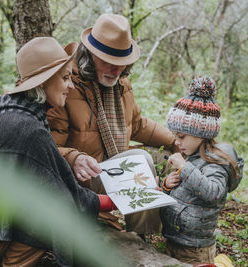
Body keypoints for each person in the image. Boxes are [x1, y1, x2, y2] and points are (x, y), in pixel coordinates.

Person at [0, 37, 117, 267]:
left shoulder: (7, 106)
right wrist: (115, 201)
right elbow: (63, 197)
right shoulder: (26, 127)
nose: (71, 86)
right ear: (42, 83)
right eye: (64, 78)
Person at [47, 13, 178, 236]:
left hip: (113, 164)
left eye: (121, 63)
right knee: (142, 160)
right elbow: (46, 148)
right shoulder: (68, 85)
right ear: (90, 56)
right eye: (108, 61)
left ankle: (172, 232)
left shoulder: (121, 84)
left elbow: (137, 125)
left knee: (169, 159)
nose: (116, 70)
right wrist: (75, 157)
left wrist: (177, 143)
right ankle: (139, 236)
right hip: (82, 174)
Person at [160, 76, 244, 264]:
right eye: (175, 136)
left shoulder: (214, 164)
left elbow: (213, 192)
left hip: (195, 248)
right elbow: (184, 191)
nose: (176, 141)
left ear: (201, 134)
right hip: (175, 239)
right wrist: (166, 185)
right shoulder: (191, 156)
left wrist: (184, 167)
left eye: (181, 136)